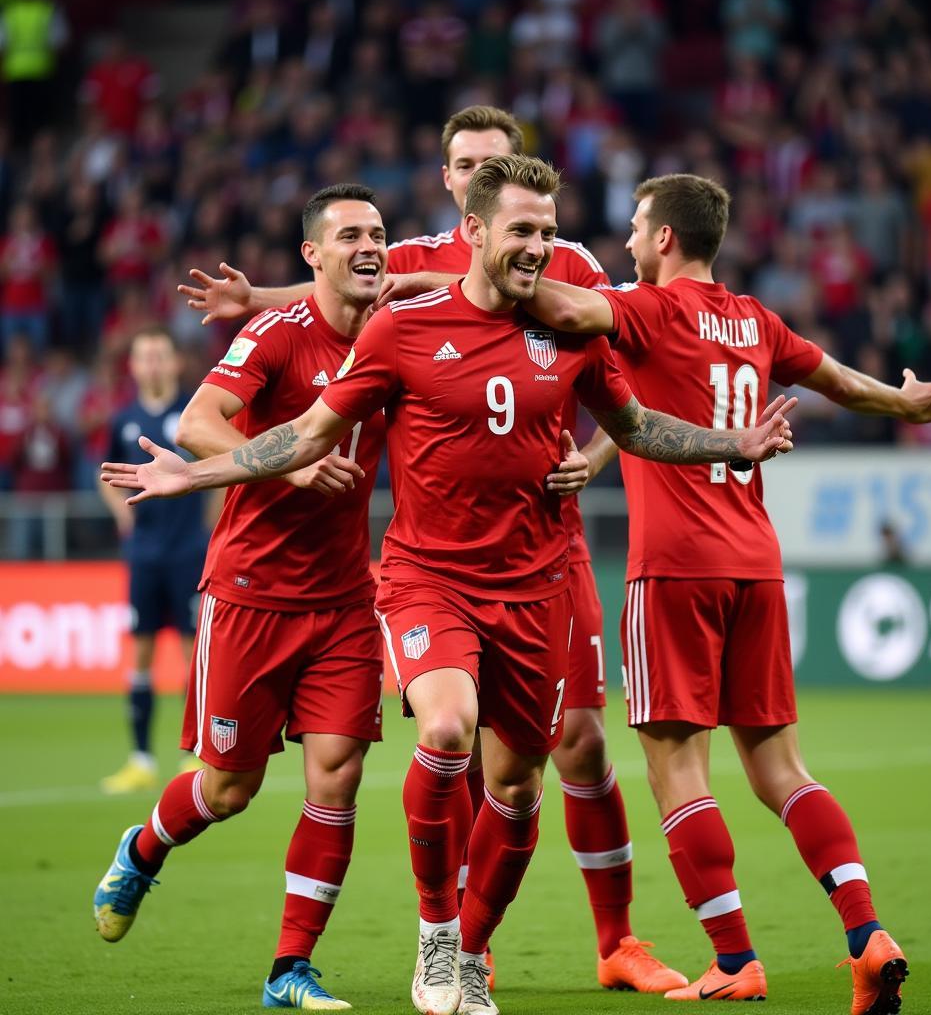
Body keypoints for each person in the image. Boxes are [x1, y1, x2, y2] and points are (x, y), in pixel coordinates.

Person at [103, 155, 796, 1015]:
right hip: (424, 579)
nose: (539, 247)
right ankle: (433, 936)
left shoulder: (574, 335)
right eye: (522, 231)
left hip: (535, 587)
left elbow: (638, 425)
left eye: (548, 231)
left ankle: (470, 951)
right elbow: (309, 433)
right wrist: (197, 476)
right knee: (442, 730)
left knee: (516, 786)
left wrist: (732, 444)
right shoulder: (403, 329)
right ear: (471, 231)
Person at [177, 104, 683, 994]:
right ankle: (444, 940)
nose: (477, 173)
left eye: (495, 160)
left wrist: (595, 455)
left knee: (574, 751)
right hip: (435, 564)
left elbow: (627, 394)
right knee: (447, 731)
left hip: (548, 554)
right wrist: (257, 303)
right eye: (463, 163)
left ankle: (605, 943)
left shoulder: (566, 264)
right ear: (453, 183)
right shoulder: (411, 265)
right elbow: (340, 289)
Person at [523, 173, 931, 1011]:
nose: (625, 241)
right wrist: (906, 403)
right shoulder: (754, 320)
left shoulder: (647, 310)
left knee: (677, 775)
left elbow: (556, 308)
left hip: (674, 570)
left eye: (633, 228)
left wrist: (485, 266)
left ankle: (734, 958)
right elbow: (840, 380)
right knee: (781, 769)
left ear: (665, 237)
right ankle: (866, 932)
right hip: (757, 564)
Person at [94, 184, 397, 1011]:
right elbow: (197, 422)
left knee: (336, 777)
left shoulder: (397, 326)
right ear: (314, 255)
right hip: (252, 592)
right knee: (229, 789)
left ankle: (288, 971)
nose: (371, 247)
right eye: (351, 236)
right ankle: (145, 846)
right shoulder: (278, 334)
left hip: (341, 599)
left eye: (379, 234)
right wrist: (292, 460)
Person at [97, 328, 212, 793]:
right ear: (134, 367)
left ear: (174, 362)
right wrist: (120, 520)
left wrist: (210, 528)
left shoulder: (193, 414)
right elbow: (104, 474)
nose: (153, 364)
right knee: (141, 652)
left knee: (191, 654)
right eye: (144, 356)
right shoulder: (124, 419)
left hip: (188, 553)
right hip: (144, 555)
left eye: (160, 355)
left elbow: (220, 471)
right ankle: (141, 758)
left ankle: (192, 757)